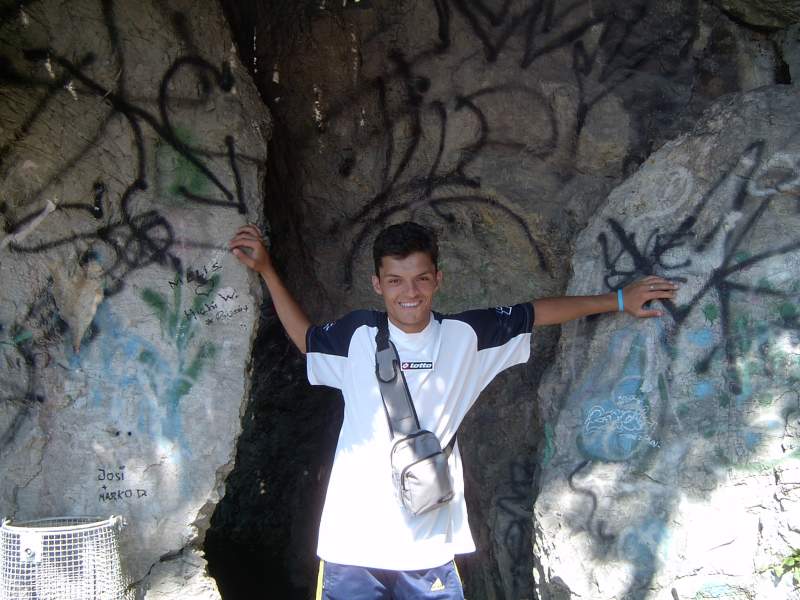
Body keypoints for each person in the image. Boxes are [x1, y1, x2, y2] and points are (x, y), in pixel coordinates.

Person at [229, 221, 677, 600]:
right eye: (395, 280)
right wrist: (267, 270)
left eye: (421, 279)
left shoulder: (467, 337)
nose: (410, 292)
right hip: (352, 545)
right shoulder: (356, 335)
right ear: (377, 284)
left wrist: (619, 301)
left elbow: (535, 313)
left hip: (427, 546)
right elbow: (307, 339)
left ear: (438, 279)